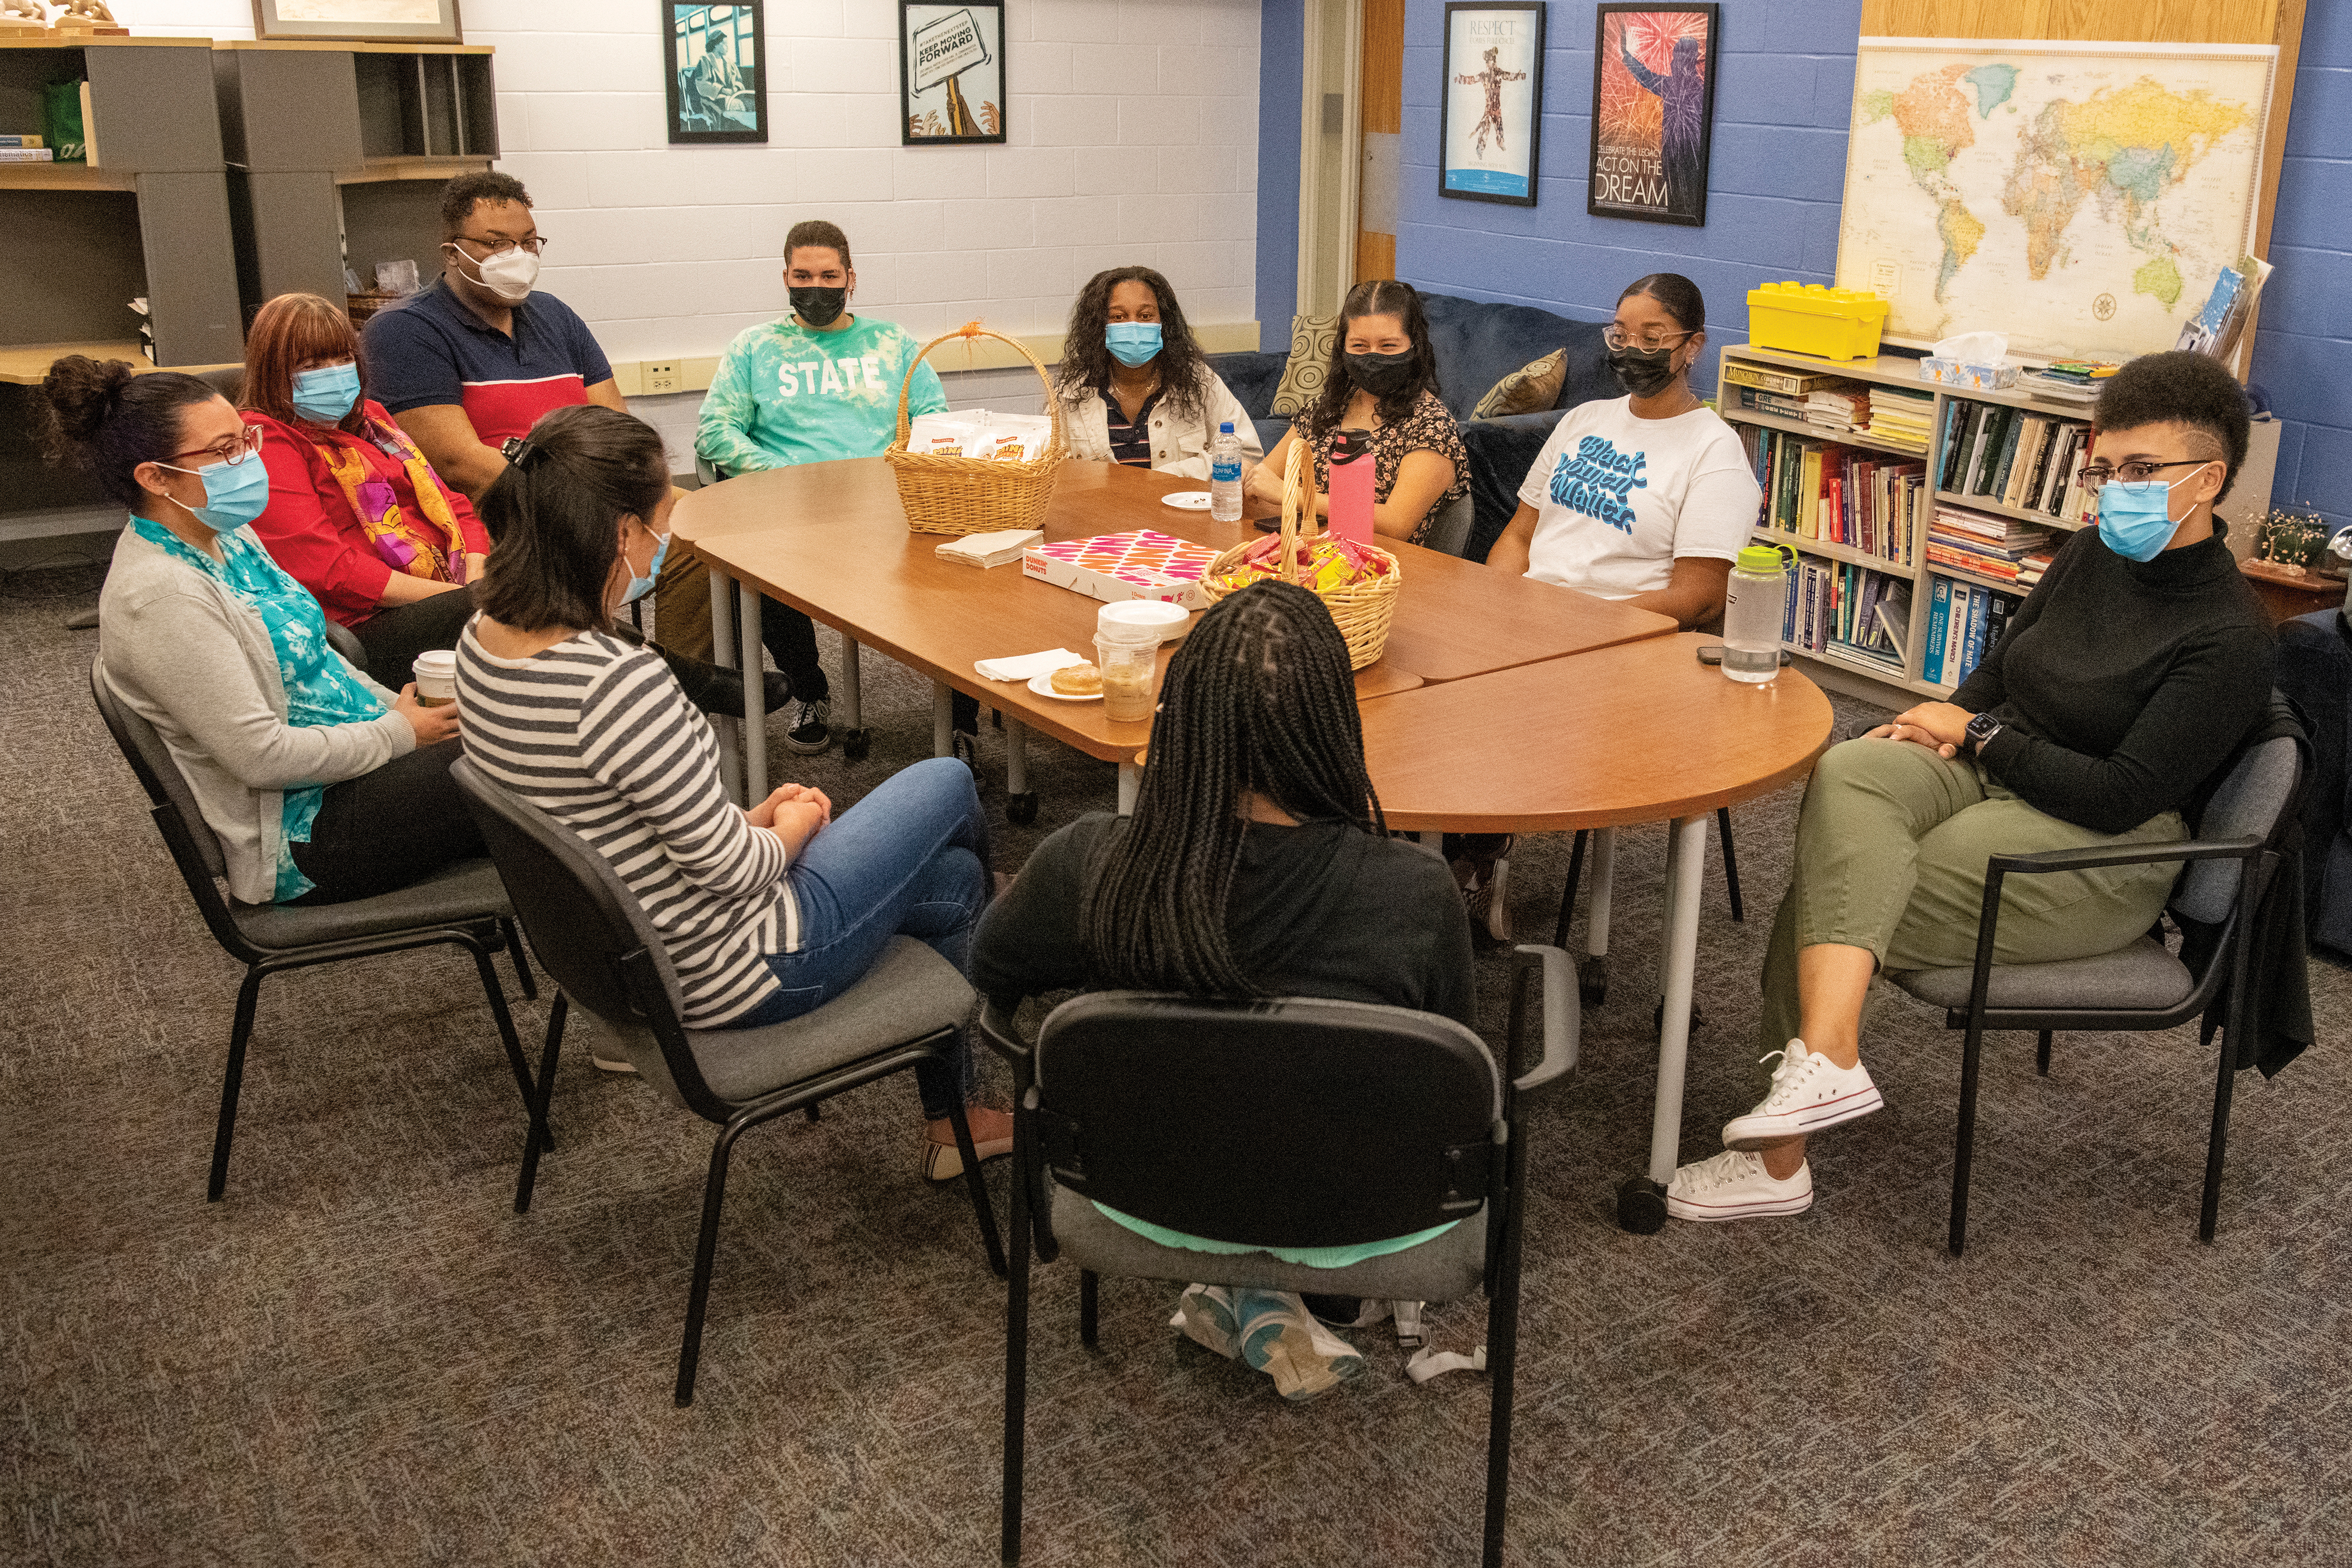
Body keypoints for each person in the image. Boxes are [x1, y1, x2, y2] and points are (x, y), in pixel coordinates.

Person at [1668, 351, 2276, 1222]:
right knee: (1856, 766)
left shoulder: (2232, 634)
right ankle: (1830, 1058)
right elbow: (2002, 669)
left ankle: (1778, 1162)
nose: (2116, 491)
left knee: (1836, 896)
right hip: (2006, 771)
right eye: (2105, 469)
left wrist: (1978, 732)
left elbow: (2117, 795)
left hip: (2106, 848)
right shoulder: (2091, 555)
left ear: (2208, 479)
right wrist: (1944, 716)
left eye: (2144, 472)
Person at [454, 404, 1011, 1173]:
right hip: (739, 968)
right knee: (947, 783)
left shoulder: (480, 641)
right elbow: (735, 871)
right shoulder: (617, 685)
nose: (663, 545)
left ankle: (961, 1121)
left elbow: (619, 818)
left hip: (635, 952)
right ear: (620, 534)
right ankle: (1005, 1001)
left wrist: (748, 819)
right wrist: (795, 822)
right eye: (659, 525)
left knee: (950, 885)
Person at [972, 581, 1476, 1401]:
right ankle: (1281, 1286)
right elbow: (1456, 1080)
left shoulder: (1090, 864)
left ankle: (1237, 1286)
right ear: (1333, 727)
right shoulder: (1415, 895)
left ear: (1179, 722)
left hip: (1135, 1195)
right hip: (1358, 1214)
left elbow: (993, 978)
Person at [50, 356, 480, 906]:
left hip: (358, 765)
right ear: (155, 478)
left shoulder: (226, 534)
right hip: (305, 832)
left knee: (516, 733)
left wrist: (399, 708)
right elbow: (263, 758)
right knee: (518, 754)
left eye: (245, 439)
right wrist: (403, 734)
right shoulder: (162, 595)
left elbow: (320, 662)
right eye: (224, 451)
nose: (248, 460)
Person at [241, 292, 775, 712]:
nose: (332, 373)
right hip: (363, 628)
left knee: (532, 586)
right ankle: (685, 682)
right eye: (312, 363)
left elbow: (453, 503)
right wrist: (460, 590)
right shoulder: (269, 444)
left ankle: (656, 683)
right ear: (274, 372)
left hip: (449, 583)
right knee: (526, 594)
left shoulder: (373, 423)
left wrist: (474, 563)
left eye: (340, 358)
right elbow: (331, 571)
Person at [1466, 274, 1761, 936]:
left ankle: (1471, 856)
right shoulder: (1584, 420)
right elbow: (1518, 534)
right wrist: (1496, 600)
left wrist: (1584, 625)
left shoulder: (1713, 451)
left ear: (1693, 347)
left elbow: (1699, 593)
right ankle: (1449, 851)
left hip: (1617, 644)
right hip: (1530, 621)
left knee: (1467, 715)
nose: (1633, 349)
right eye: (1621, 335)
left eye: (1653, 337)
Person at [362, 171, 724, 668]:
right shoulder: (406, 331)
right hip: (501, 515)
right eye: (496, 243)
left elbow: (615, 424)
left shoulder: (556, 316)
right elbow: (459, 463)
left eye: (529, 242)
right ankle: (662, 674)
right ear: (452, 252)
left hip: (591, 497)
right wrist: (584, 505)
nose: (518, 256)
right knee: (657, 535)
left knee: (707, 526)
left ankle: (671, 679)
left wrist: (631, 491)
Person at [696, 219, 949, 754]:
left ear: (851, 278)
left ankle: (960, 720)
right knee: (758, 586)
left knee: (960, 581)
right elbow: (715, 431)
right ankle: (810, 688)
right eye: (803, 275)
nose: (816, 286)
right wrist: (785, 478)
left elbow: (934, 420)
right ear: (784, 277)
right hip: (787, 511)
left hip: (886, 506)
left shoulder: (893, 343)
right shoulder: (755, 347)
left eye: (829, 275)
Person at [1244, 279, 1469, 546]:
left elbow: (1396, 524)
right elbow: (1264, 481)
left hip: (1381, 573)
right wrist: (1247, 476)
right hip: (1307, 555)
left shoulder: (1432, 425)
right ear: (1343, 349)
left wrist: (1293, 494)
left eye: (1388, 346)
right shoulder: (1325, 408)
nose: (1373, 357)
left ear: (1415, 347)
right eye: (1360, 346)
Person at [1054, 265, 1263, 478]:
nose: (1133, 326)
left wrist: (1162, 480)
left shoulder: (1198, 381)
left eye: (1145, 316)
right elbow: (1047, 468)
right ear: (1099, 325)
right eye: (1118, 317)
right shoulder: (1072, 391)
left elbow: (1246, 455)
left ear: (1164, 323)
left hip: (1180, 509)